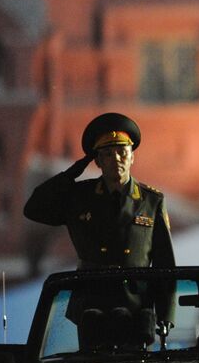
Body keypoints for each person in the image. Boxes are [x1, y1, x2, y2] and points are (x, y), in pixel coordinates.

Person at [23, 112, 175, 270]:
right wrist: (69, 175)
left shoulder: (151, 201)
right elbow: (33, 209)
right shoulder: (80, 197)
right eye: (108, 154)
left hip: (135, 287)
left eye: (122, 152)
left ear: (132, 157)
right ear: (97, 161)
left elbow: (165, 265)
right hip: (92, 286)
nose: (116, 159)